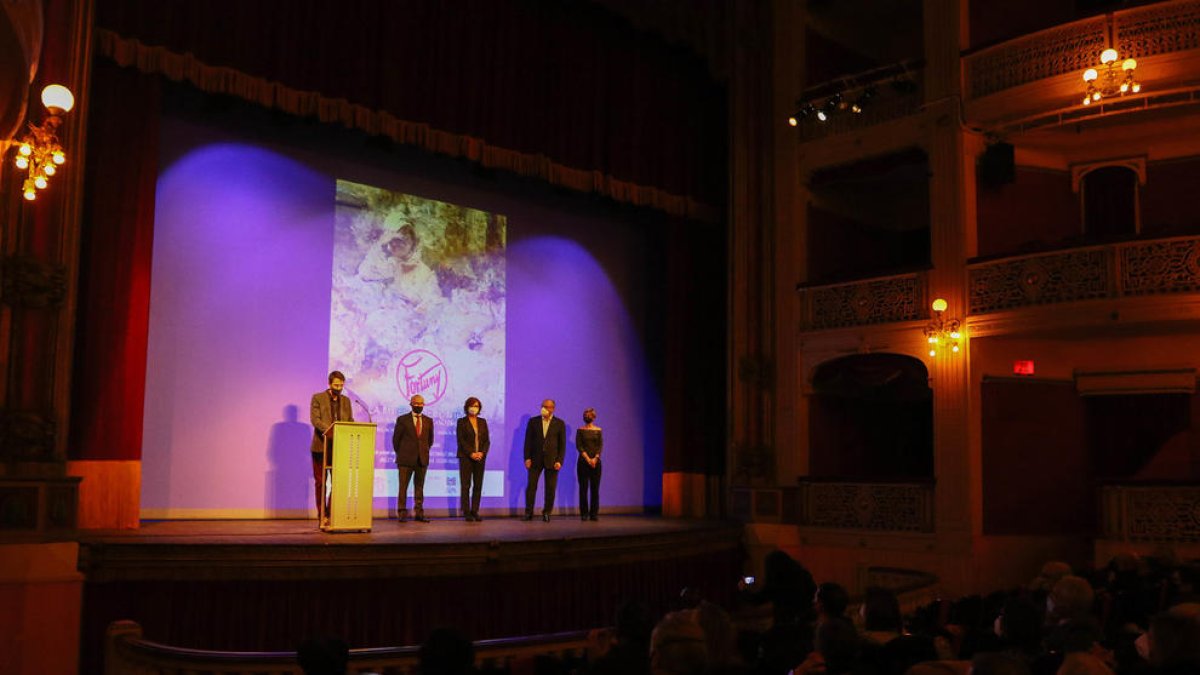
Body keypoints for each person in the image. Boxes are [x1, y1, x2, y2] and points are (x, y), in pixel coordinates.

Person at [310, 371, 354, 524]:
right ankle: (323, 514)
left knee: (338, 482)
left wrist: (350, 429)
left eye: (341, 385)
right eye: (336, 385)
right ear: (329, 384)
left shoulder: (346, 401)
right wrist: (332, 431)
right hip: (321, 447)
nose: (339, 388)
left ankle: (333, 512)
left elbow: (350, 420)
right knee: (321, 482)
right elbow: (315, 420)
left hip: (339, 448)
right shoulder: (318, 398)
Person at [523, 398, 565, 521]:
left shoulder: (559, 423)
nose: (545, 408)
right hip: (535, 460)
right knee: (531, 486)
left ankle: (547, 512)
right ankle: (528, 512)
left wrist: (559, 461)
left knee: (550, 488)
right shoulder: (533, 421)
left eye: (548, 406)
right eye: (544, 406)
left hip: (552, 461)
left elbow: (562, 445)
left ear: (553, 409)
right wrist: (527, 458)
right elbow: (528, 442)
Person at [393, 394, 433, 522]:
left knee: (419, 488)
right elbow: (396, 441)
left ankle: (419, 513)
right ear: (411, 404)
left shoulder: (428, 420)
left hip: (422, 459)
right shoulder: (402, 419)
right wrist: (403, 453)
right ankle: (402, 513)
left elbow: (430, 441)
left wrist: (423, 452)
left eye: (421, 404)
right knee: (403, 487)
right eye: (416, 403)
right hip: (405, 460)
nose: (419, 406)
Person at [456, 396, 490, 522]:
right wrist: (471, 453)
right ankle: (466, 511)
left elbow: (486, 441)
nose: (474, 408)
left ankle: (475, 510)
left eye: (476, 406)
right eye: (472, 406)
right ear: (467, 407)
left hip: (480, 458)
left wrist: (482, 452)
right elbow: (461, 440)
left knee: (478, 484)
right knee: (466, 485)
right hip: (466, 457)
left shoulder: (483, 422)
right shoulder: (461, 422)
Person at [576, 407, 603, 521]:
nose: (586, 417)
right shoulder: (580, 430)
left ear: (593, 416)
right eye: (585, 415)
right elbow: (579, 446)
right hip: (583, 462)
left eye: (589, 415)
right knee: (583, 488)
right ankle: (584, 513)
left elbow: (600, 446)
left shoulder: (598, 430)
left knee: (595, 489)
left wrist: (595, 459)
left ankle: (594, 513)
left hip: (596, 463)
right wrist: (588, 459)